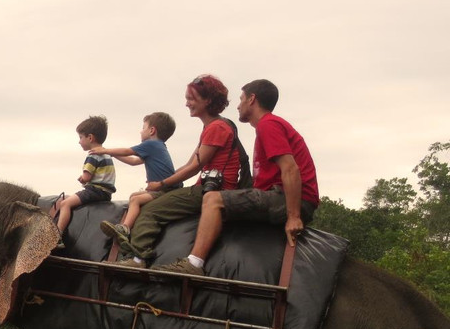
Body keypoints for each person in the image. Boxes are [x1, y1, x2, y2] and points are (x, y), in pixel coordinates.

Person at [155, 79, 319, 276]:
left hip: (291, 199)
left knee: (213, 199)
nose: (238, 105)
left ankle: (194, 264)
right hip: (281, 196)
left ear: (252, 100)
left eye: (241, 99)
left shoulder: (269, 124)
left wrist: (294, 217)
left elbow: (291, 169)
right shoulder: (267, 127)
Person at [100, 75, 243, 266]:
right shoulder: (214, 126)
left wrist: (161, 184)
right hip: (210, 188)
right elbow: (190, 164)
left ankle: (138, 258)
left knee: (150, 210)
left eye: (191, 99)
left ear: (207, 100)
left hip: (213, 191)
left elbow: (195, 167)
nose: (187, 103)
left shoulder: (217, 128)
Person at [89, 112, 178, 242]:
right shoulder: (157, 148)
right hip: (161, 189)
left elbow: (127, 151)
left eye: (143, 128)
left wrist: (105, 151)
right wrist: (112, 154)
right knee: (133, 196)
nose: (140, 131)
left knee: (136, 200)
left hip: (165, 190)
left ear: (152, 130)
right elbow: (134, 161)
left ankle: (124, 228)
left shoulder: (151, 144)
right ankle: (131, 221)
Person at [53, 115, 116, 236]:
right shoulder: (107, 154)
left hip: (94, 191)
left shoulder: (92, 155)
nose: (79, 141)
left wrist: (82, 178)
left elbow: (87, 178)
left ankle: (58, 234)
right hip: (106, 194)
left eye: (81, 137)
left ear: (90, 138)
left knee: (65, 203)